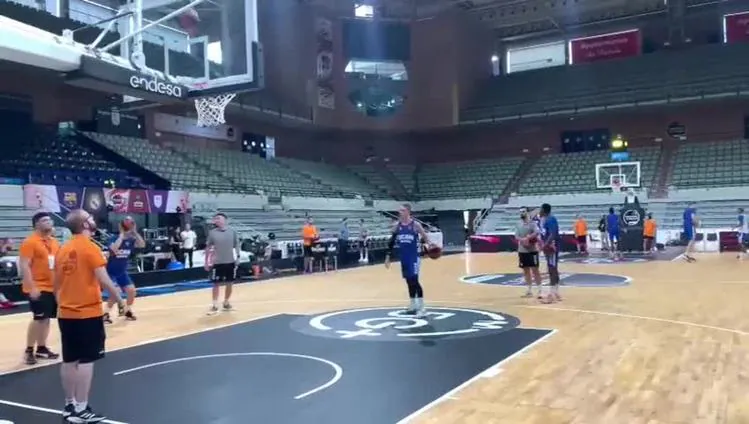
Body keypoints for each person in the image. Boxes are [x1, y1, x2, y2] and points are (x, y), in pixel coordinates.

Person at [54, 209, 123, 422]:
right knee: (86, 361)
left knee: (69, 360)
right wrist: (119, 300)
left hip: (66, 313)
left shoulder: (62, 250)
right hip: (87, 312)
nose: (94, 220)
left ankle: (69, 405)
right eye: (90, 218)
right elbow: (103, 280)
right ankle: (83, 408)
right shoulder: (90, 249)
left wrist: (64, 304)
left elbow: (56, 285)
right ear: (85, 225)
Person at [18, 212, 60, 365]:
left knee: (46, 318)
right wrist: (32, 287)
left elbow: (56, 265)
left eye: (50, 219)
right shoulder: (30, 242)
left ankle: (41, 348)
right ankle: (29, 350)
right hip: (38, 286)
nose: (49, 222)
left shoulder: (54, 242)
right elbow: (25, 265)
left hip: (51, 287)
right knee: (38, 318)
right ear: (36, 224)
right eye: (44, 220)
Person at [384, 204, 435, 317]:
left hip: (414, 257)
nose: (399, 212)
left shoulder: (415, 225)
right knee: (408, 281)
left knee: (414, 281)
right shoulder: (398, 226)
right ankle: (413, 305)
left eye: (402, 210)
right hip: (404, 258)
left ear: (408, 211)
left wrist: (431, 245)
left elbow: (425, 237)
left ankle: (422, 307)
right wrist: (388, 256)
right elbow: (391, 241)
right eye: (399, 211)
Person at [103, 217, 145, 324]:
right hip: (110, 272)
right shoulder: (113, 238)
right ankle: (105, 314)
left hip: (122, 272)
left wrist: (135, 232)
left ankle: (127, 310)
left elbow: (142, 244)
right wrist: (121, 235)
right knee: (115, 293)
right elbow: (113, 249)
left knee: (132, 291)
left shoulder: (131, 240)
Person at [204, 213, 240, 315]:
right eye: (215, 219)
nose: (216, 220)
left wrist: (237, 256)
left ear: (225, 220)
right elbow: (207, 248)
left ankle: (226, 302)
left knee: (230, 283)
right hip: (217, 262)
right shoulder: (212, 233)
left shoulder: (232, 232)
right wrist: (206, 262)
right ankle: (215, 304)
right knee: (216, 283)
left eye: (218, 218)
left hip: (230, 261)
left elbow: (237, 245)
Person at [516, 210, 543, 298]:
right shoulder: (518, 224)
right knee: (526, 271)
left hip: (532, 250)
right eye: (520, 212)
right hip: (522, 250)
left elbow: (537, 232)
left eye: (523, 212)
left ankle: (540, 290)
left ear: (527, 213)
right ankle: (529, 290)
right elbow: (516, 236)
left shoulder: (533, 223)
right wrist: (523, 240)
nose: (522, 213)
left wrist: (529, 237)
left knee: (535, 270)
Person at [539, 203, 561, 304]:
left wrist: (546, 244)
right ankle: (556, 292)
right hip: (548, 247)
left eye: (541, 209)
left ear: (544, 210)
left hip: (552, 246)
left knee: (552, 269)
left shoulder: (551, 219)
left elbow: (553, 233)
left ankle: (552, 294)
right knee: (552, 268)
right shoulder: (544, 220)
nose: (540, 210)